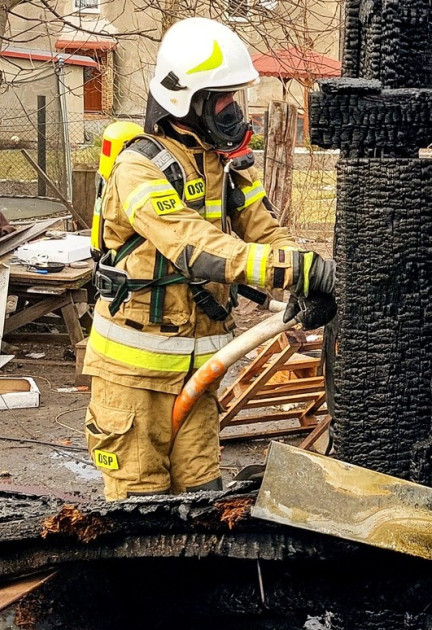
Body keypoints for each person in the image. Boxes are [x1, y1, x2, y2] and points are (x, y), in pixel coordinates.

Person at [83, 17, 336, 500]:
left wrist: (308, 278)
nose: (232, 110)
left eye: (233, 97)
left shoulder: (221, 166)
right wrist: (297, 271)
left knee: (204, 502)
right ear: (187, 100)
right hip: (134, 384)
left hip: (199, 377)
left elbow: (267, 230)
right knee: (143, 516)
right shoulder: (138, 168)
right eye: (221, 99)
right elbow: (193, 245)